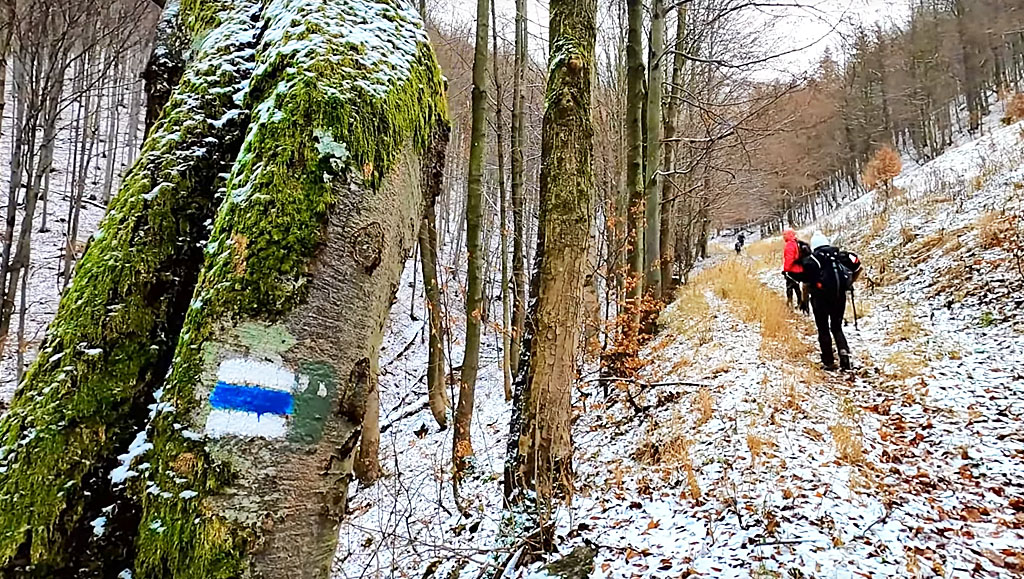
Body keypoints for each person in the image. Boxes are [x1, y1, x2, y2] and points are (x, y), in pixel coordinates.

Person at [800, 232, 862, 371]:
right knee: (836, 327)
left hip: (819, 299)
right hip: (839, 296)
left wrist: (804, 300)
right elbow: (858, 266)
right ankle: (844, 353)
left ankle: (828, 362)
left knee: (823, 328)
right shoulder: (840, 256)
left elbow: (805, 282)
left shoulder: (811, 260)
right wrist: (849, 283)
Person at [781, 229, 810, 313]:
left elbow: (789, 259)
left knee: (790, 287)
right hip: (800, 269)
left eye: (784, 235)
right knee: (797, 287)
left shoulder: (790, 245)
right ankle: (800, 302)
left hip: (793, 270)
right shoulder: (797, 243)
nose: (783, 236)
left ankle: (790, 303)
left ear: (789, 235)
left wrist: (785, 270)